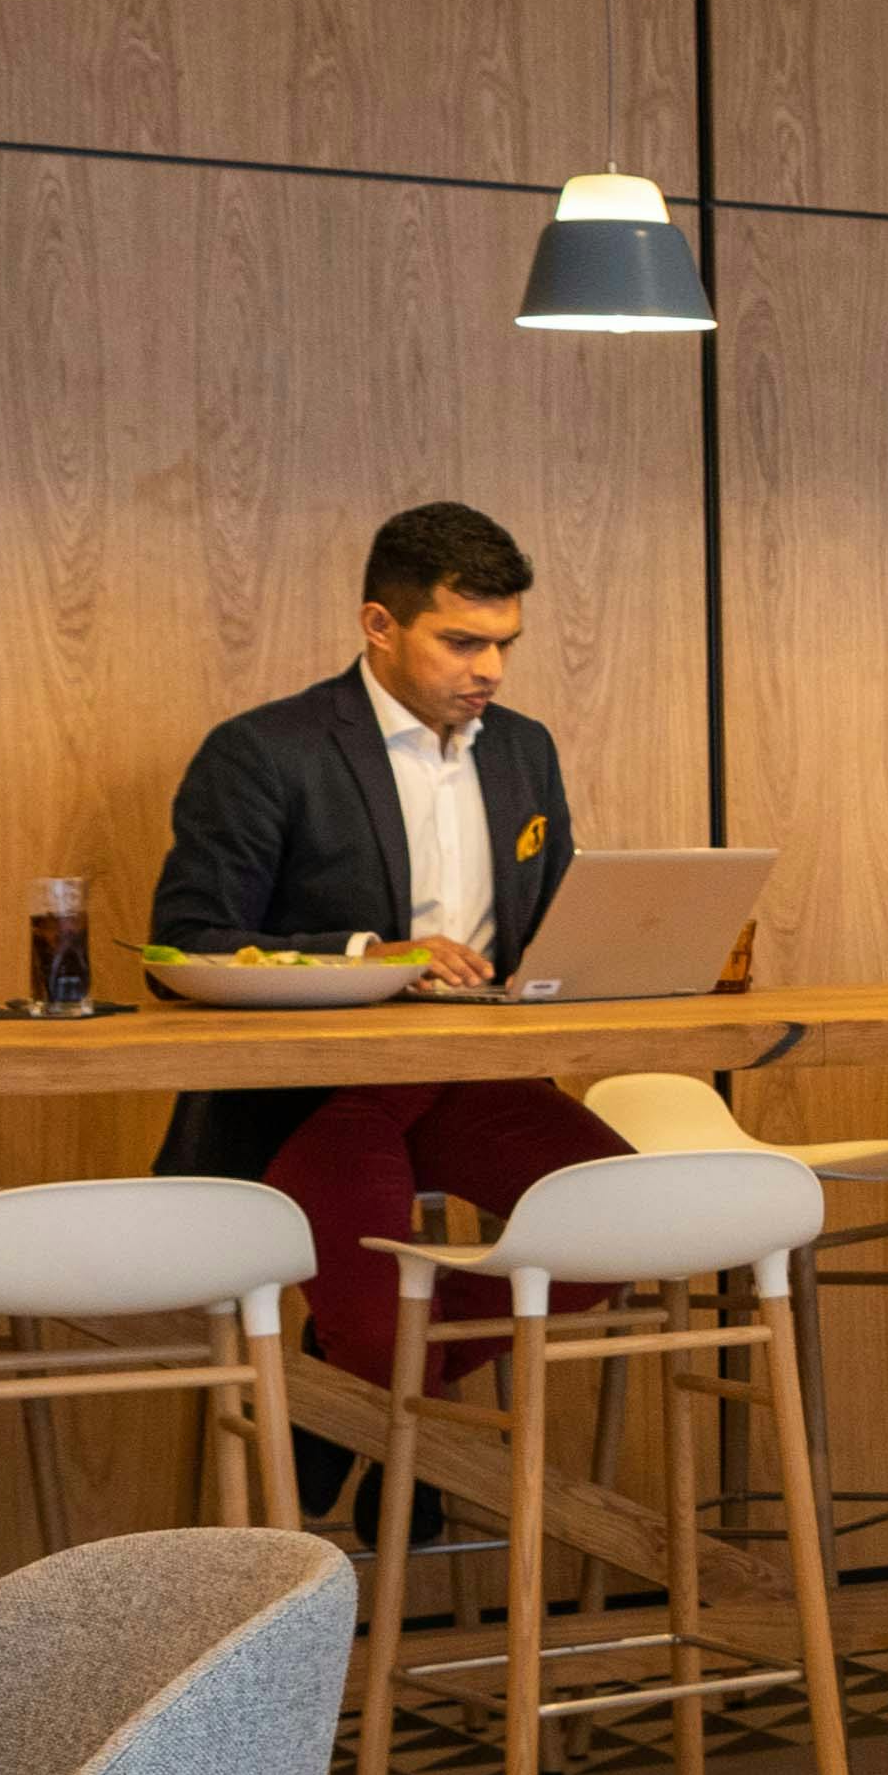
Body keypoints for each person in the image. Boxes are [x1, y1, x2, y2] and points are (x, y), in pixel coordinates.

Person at [150, 501, 624, 1388]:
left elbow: (551, 917)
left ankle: (356, 1381)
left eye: (504, 643)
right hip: (322, 1091)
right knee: (381, 1337)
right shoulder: (263, 751)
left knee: (633, 1222)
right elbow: (185, 944)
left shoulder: (524, 750)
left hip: (478, 1075)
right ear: (379, 625)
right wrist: (366, 953)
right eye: (461, 642)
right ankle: (376, 1382)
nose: (490, 668)